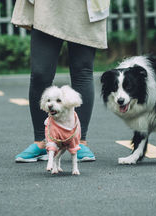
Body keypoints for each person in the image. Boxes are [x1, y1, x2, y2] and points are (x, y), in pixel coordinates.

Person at [11, 0, 109, 163]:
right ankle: (42, 142)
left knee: (82, 71)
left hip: (84, 6)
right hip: (48, 5)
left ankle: (79, 141)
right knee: (40, 73)